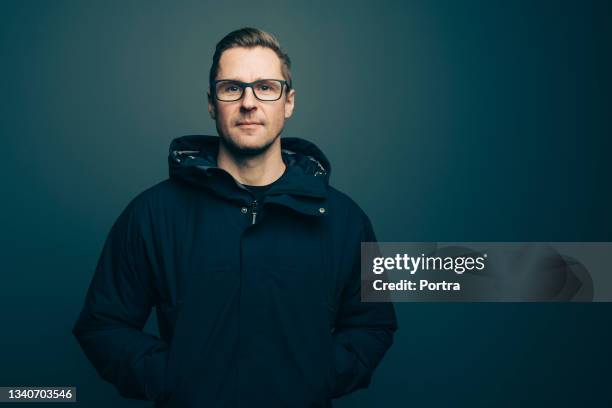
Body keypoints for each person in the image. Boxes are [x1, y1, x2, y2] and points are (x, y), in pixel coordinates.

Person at [72, 27, 398, 408]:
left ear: (288, 102)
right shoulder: (152, 215)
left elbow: (372, 325)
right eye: (232, 88)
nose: (248, 102)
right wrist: (175, 380)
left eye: (266, 87)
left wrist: (316, 376)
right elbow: (103, 325)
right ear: (212, 103)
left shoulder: (344, 219)